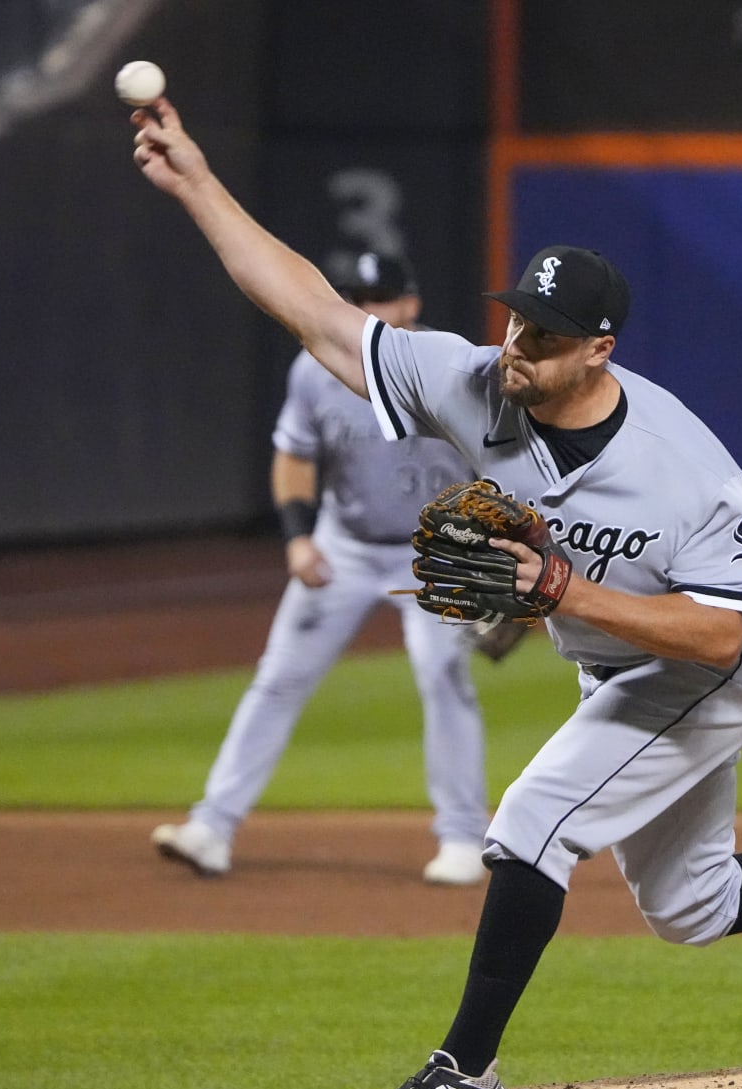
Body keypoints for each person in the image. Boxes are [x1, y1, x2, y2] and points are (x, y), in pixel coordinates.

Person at [130, 94, 742, 1089]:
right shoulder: (480, 383)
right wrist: (198, 181)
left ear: (599, 350)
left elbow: (729, 638)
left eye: (547, 334)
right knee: (690, 907)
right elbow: (318, 314)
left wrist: (562, 595)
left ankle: (461, 1075)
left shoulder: (684, 473)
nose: (518, 343)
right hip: (620, 662)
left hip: (712, 670)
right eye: (517, 317)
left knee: (532, 824)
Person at [150, 249, 493, 887]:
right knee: (278, 679)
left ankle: (462, 838)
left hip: (433, 552)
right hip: (347, 543)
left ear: (410, 305)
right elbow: (294, 456)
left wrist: (488, 553)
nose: (366, 313)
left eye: (379, 301)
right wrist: (298, 539)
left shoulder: (452, 367)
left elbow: (500, 464)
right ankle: (212, 826)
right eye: (357, 300)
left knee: (443, 674)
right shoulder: (315, 368)